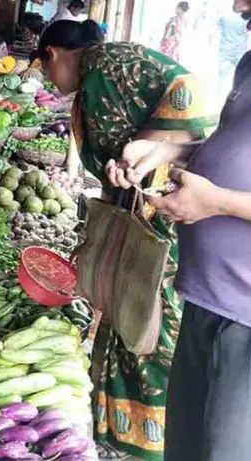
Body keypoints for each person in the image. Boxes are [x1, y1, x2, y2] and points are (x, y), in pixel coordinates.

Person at [36, 19, 212, 461]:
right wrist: (130, 161)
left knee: (149, 321)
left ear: (53, 54)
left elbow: (186, 89)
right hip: (136, 214)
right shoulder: (96, 76)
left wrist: (151, 147)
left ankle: (156, 438)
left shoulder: (109, 64)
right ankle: (120, 429)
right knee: (126, 314)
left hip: (158, 218)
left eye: (45, 69)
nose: (50, 81)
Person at [106, 1, 251, 458]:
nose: (238, 6)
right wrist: (169, 153)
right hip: (209, 298)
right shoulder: (249, 64)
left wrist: (216, 202)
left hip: (245, 316)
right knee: (187, 445)